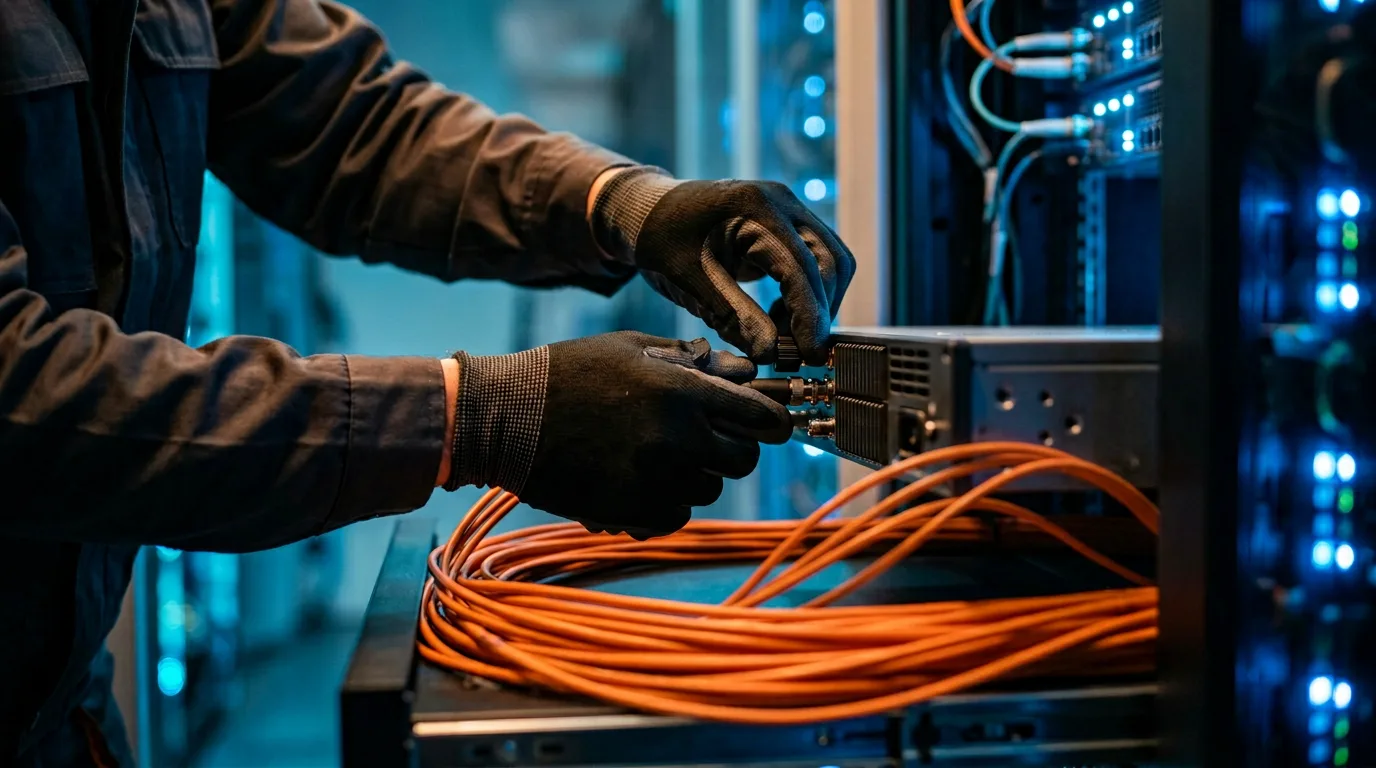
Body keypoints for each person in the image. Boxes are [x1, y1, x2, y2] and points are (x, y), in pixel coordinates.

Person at [0, 0, 854, 762]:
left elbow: (357, 125)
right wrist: (479, 414)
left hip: (65, 703)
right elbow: (19, 393)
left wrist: (628, 205)